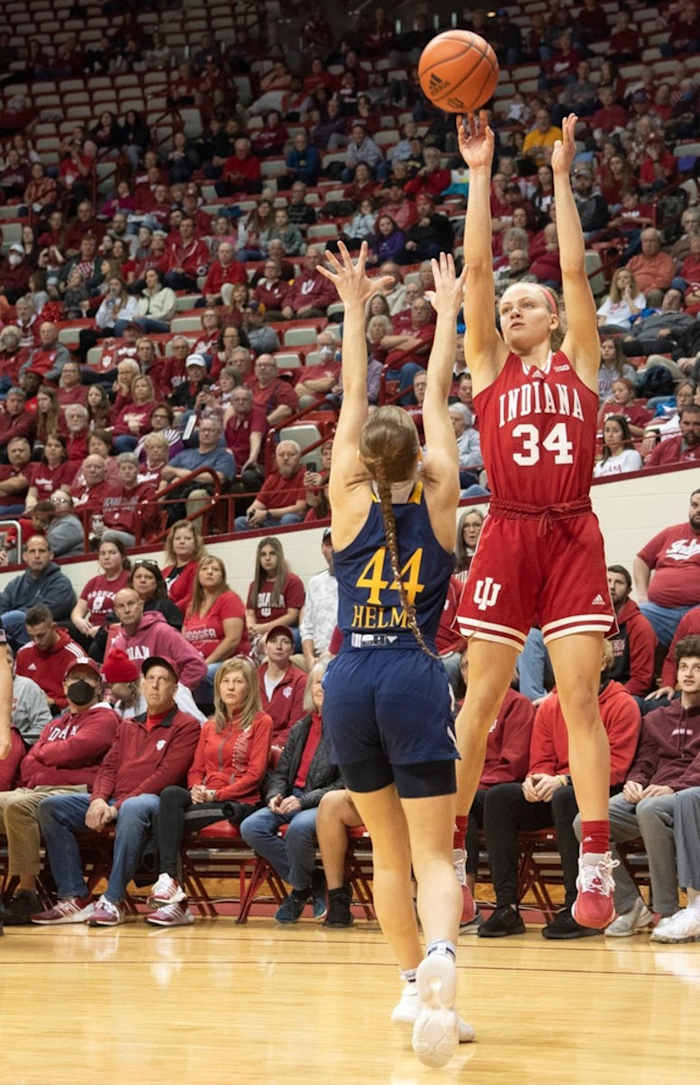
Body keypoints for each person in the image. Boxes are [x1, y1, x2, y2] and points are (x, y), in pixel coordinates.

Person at [453, 112, 618, 938]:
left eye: (527, 303)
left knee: (578, 698)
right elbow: (476, 269)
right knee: (480, 698)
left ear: (552, 315)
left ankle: (595, 858)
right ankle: (449, 847)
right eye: (507, 306)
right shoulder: (487, 368)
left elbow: (580, 271)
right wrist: (481, 172)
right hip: (508, 529)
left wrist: (559, 178)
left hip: (572, 529)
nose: (510, 310)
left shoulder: (582, 361)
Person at [318, 242, 472, 1067]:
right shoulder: (441, 488)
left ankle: (412, 983)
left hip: (349, 677)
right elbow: (437, 392)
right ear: (413, 455)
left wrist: (354, 305)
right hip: (413, 672)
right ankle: (444, 957)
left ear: (363, 461)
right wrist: (444, 313)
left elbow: (351, 391)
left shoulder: (344, 495)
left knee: (385, 850)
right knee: (435, 849)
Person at [480, 641, 640, 940]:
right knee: (500, 796)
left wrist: (563, 780)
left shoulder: (623, 704)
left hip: (603, 792)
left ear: (603, 663)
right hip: (557, 788)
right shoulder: (551, 705)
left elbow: (615, 768)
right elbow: (540, 759)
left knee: (566, 797)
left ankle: (576, 906)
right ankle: (506, 908)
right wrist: (535, 779)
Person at [33, 656, 201, 927]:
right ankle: (73, 896)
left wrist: (116, 806)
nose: (155, 685)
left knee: (134, 807)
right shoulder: (128, 724)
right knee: (51, 807)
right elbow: (108, 768)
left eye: (163, 680)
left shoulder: (186, 725)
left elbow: (165, 776)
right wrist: (98, 799)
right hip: (113, 800)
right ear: (142, 685)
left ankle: (113, 899)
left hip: (153, 803)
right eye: (150, 679)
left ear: (175, 688)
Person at [578, 635, 700, 941]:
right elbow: (645, 759)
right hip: (650, 793)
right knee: (586, 823)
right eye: (684, 666)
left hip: (686, 796)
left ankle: (667, 910)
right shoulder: (657, 716)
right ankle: (630, 905)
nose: (688, 673)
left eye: (697, 668)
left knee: (650, 809)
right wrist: (635, 781)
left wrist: (672, 788)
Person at [145, 658, 273, 927]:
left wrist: (218, 794)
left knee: (163, 821)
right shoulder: (209, 725)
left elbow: (255, 775)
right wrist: (196, 789)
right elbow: (195, 769)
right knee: (170, 795)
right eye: (225, 681)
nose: (230, 687)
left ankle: (173, 897)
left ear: (250, 688)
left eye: (238, 682)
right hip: (206, 798)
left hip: (239, 801)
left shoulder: (262, 722)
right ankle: (170, 883)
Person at [0, 657, 119, 926]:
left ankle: (27, 891)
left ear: (98, 686)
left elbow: (77, 749)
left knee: (19, 808)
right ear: (63, 686)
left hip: (76, 793)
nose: (79, 684)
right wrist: (48, 757)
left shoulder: (105, 718)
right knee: (13, 802)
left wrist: (45, 755)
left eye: (86, 679)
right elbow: (30, 762)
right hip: (38, 788)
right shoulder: (56, 723)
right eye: (73, 678)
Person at [240, 660, 341, 923]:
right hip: (290, 797)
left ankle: (298, 892)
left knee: (298, 828)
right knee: (251, 826)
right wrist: (274, 795)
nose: (322, 687)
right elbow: (280, 773)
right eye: (318, 681)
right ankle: (309, 880)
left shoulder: (346, 729)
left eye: (329, 681)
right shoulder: (300, 728)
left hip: (324, 803)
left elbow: (344, 783)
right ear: (309, 688)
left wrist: (302, 801)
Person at [633, 489, 700, 649]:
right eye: (694, 505)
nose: (698, 510)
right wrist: (642, 595)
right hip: (659, 612)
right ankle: (642, 673)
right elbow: (641, 560)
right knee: (636, 616)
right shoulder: (671, 533)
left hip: (696, 608)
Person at [108, 588, 206, 691]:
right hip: (134, 702)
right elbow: (112, 680)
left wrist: (176, 692)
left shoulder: (163, 632)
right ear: (116, 612)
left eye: (131, 604)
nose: (127, 610)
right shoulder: (118, 643)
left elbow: (197, 665)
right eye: (121, 606)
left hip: (164, 701)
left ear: (141, 605)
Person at [182, 556, 249, 704]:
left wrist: (205, 663)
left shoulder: (229, 599)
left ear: (222, 576)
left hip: (231, 661)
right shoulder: (193, 605)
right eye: (205, 569)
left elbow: (232, 640)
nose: (209, 572)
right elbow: (184, 641)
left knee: (205, 674)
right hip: (199, 663)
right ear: (198, 575)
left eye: (215, 569)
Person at [0, 535, 76, 650]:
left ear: (51, 555)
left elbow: (40, 616)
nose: (37, 556)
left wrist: (17, 615)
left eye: (41, 551)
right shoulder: (16, 583)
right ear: (25, 556)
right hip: (14, 640)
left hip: (47, 639)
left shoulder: (61, 583)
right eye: (32, 551)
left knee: (18, 617)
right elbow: (2, 607)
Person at [15, 605, 85, 712]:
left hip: (59, 712)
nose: (37, 641)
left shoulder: (75, 656)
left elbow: (83, 698)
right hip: (24, 710)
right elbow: (15, 689)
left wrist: (53, 703)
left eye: (41, 635)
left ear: (53, 627)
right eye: (31, 636)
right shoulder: (23, 653)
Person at [245, 536, 305, 648]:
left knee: (268, 642)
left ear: (279, 556)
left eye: (272, 553)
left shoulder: (293, 581)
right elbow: (250, 613)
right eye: (263, 554)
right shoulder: (254, 585)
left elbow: (292, 616)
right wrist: (251, 627)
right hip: (259, 631)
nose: (267, 558)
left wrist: (264, 628)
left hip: (285, 630)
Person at [606, 565, 657, 698]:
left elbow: (641, 680)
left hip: (628, 693)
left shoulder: (639, 625)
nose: (612, 587)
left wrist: (609, 698)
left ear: (629, 590)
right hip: (599, 692)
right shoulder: (593, 622)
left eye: (619, 582)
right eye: (608, 581)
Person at [71, 538, 131, 649]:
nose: (106, 557)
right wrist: (78, 620)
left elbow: (129, 614)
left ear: (122, 557)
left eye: (112, 553)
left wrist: (103, 629)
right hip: (89, 629)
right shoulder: (93, 582)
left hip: (113, 630)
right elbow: (78, 611)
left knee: (97, 644)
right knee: (60, 629)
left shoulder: (129, 579)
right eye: (102, 553)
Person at [234, 440, 306, 531]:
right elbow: (253, 507)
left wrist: (267, 513)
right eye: (281, 455)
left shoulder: (305, 475)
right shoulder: (273, 478)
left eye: (291, 454)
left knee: (288, 519)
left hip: (292, 521)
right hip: (270, 520)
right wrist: (252, 517)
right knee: (240, 522)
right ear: (276, 459)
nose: (286, 458)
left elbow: (300, 509)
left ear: (299, 458)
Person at [258, 626, 306, 746]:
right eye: (273, 641)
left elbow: (296, 726)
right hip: (253, 741)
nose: (279, 647)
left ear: (292, 649)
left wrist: (273, 747)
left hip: (283, 747)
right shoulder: (253, 677)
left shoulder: (301, 681)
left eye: (285, 642)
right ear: (265, 648)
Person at [299, 528, 338, 670]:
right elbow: (307, 627)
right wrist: (309, 657)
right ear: (322, 549)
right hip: (319, 658)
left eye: (337, 542)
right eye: (329, 544)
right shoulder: (315, 582)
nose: (333, 549)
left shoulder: (358, 581)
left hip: (347, 656)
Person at [162, 519, 206, 615]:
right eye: (177, 538)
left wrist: (169, 611)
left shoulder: (199, 568)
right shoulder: (164, 571)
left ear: (196, 543)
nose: (182, 542)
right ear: (171, 543)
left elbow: (192, 597)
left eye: (187, 538)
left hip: (182, 617)